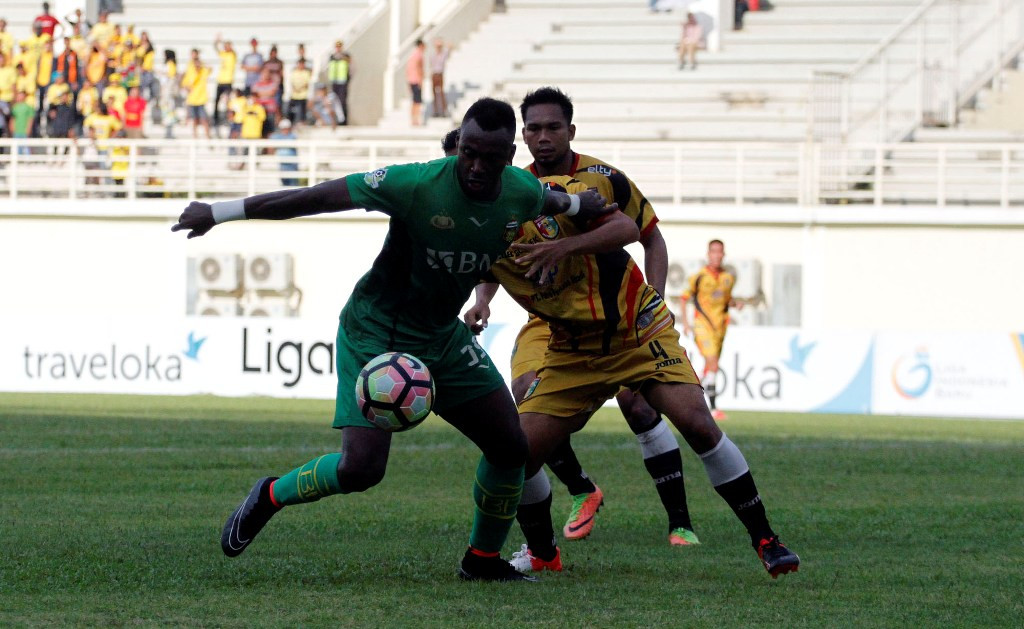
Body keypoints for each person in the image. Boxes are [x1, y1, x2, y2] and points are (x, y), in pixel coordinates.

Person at [170, 97, 615, 582]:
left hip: (442, 336)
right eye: (468, 152)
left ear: (509, 156)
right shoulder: (416, 184)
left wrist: (582, 204)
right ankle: (270, 494)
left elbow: (552, 200)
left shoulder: (520, 189)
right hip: (376, 333)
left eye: (489, 157)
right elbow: (316, 198)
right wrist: (219, 212)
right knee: (361, 469)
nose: (474, 166)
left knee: (511, 448)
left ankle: (482, 560)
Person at [465, 190, 801, 580]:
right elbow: (487, 268)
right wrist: (481, 301)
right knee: (515, 456)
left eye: (489, 163)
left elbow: (632, 229)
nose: (477, 169)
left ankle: (764, 539)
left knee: (695, 422)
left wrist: (564, 247)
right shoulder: (475, 219)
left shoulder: (572, 187)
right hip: (572, 348)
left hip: (635, 333)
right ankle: (543, 552)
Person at [498, 86, 697, 546]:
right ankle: (582, 489)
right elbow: (502, 256)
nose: (543, 137)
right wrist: (483, 300)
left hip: (615, 314)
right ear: (523, 135)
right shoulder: (517, 187)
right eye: (534, 128)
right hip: (549, 320)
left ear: (570, 130)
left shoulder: (604, 178)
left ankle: (680, 522)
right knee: (525, 393)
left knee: (638, 404)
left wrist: (656, 297)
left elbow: (650, 237)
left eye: (552, 127)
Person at [680, 239, 738, 421]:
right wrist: (686, 323)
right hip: (702, 326)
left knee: (711, 367)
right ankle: (712, 408)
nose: (716, 255)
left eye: (719, 252)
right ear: (708, 254)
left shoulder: (728, 278)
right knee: (712, 362)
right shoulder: (699, 277)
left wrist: (736, 304)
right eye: (713, 251)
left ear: (723, 254)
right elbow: (684, 298)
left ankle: (691, 395)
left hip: (720, 328)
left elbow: (727, 299)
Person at [180, 49, 211, 138]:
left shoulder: (203, 70)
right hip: (192, 99)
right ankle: (195, 137)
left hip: (201, 98)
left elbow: (210, 69)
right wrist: (187, 87)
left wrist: (201, 64)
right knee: (194, 120)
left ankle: (208, 137)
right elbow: (184, 82)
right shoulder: (190, 68)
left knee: (204, 119)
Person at [213, 35, 236, 127]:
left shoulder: (232, 55)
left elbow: (232, 51)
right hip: (221, 81)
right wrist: (217, 41)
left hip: (228, 81)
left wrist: (226, 44)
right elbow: (216, 48)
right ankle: (216, 119)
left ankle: (228, 118)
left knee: (228, 102)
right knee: (217, 101)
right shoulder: (224, 54)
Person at [326, 40, 350, 125]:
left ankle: (343, 121)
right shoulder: (332, 57)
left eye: (339, 46)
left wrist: (348, 78)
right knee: (332, 101)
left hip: (343, 82)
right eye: (337, 47)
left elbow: (352, 68)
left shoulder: (346, 56)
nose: (338, 48)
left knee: (342, 101)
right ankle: (335, 120)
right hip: (334, 82)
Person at [269, 118, 298, 185]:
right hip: (282, 165)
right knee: (284, 184)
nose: (285, 130)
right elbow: (270, 147)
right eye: (283, 128)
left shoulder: (292, 136)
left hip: (292, 165)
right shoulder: (277, 136)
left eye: (286, 128)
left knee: (293, 185)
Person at [286, 58, 311, 125]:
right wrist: (295, 88)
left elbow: (307, 83)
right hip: (294, 95)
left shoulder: (306, 73)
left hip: (303, 95)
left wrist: (299, 88)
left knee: (302, 111)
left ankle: (302, 122)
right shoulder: (294, 72)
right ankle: (290, 122)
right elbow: (292, 82)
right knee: (290, 110)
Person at [406, 39, 424, 126]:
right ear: (421, 45)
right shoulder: (419, 55)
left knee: (414, 101)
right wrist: (421, 80)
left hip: (411, 80)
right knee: (417, 101)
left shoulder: (412, 55)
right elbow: (419, 69)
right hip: (417, 80)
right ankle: (416, 120)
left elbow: (408, 69)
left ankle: (413, 120)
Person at [429, 38, 449, 118]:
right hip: (434, 74)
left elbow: (450, 47)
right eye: (437, 46)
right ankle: (435, 111)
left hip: (440, 74)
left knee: (441, 93)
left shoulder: (443, 54)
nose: (438, 48)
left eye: (440, 46)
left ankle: (443, 111)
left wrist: (442, 44)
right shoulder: (433, 54)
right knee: (434, 94)